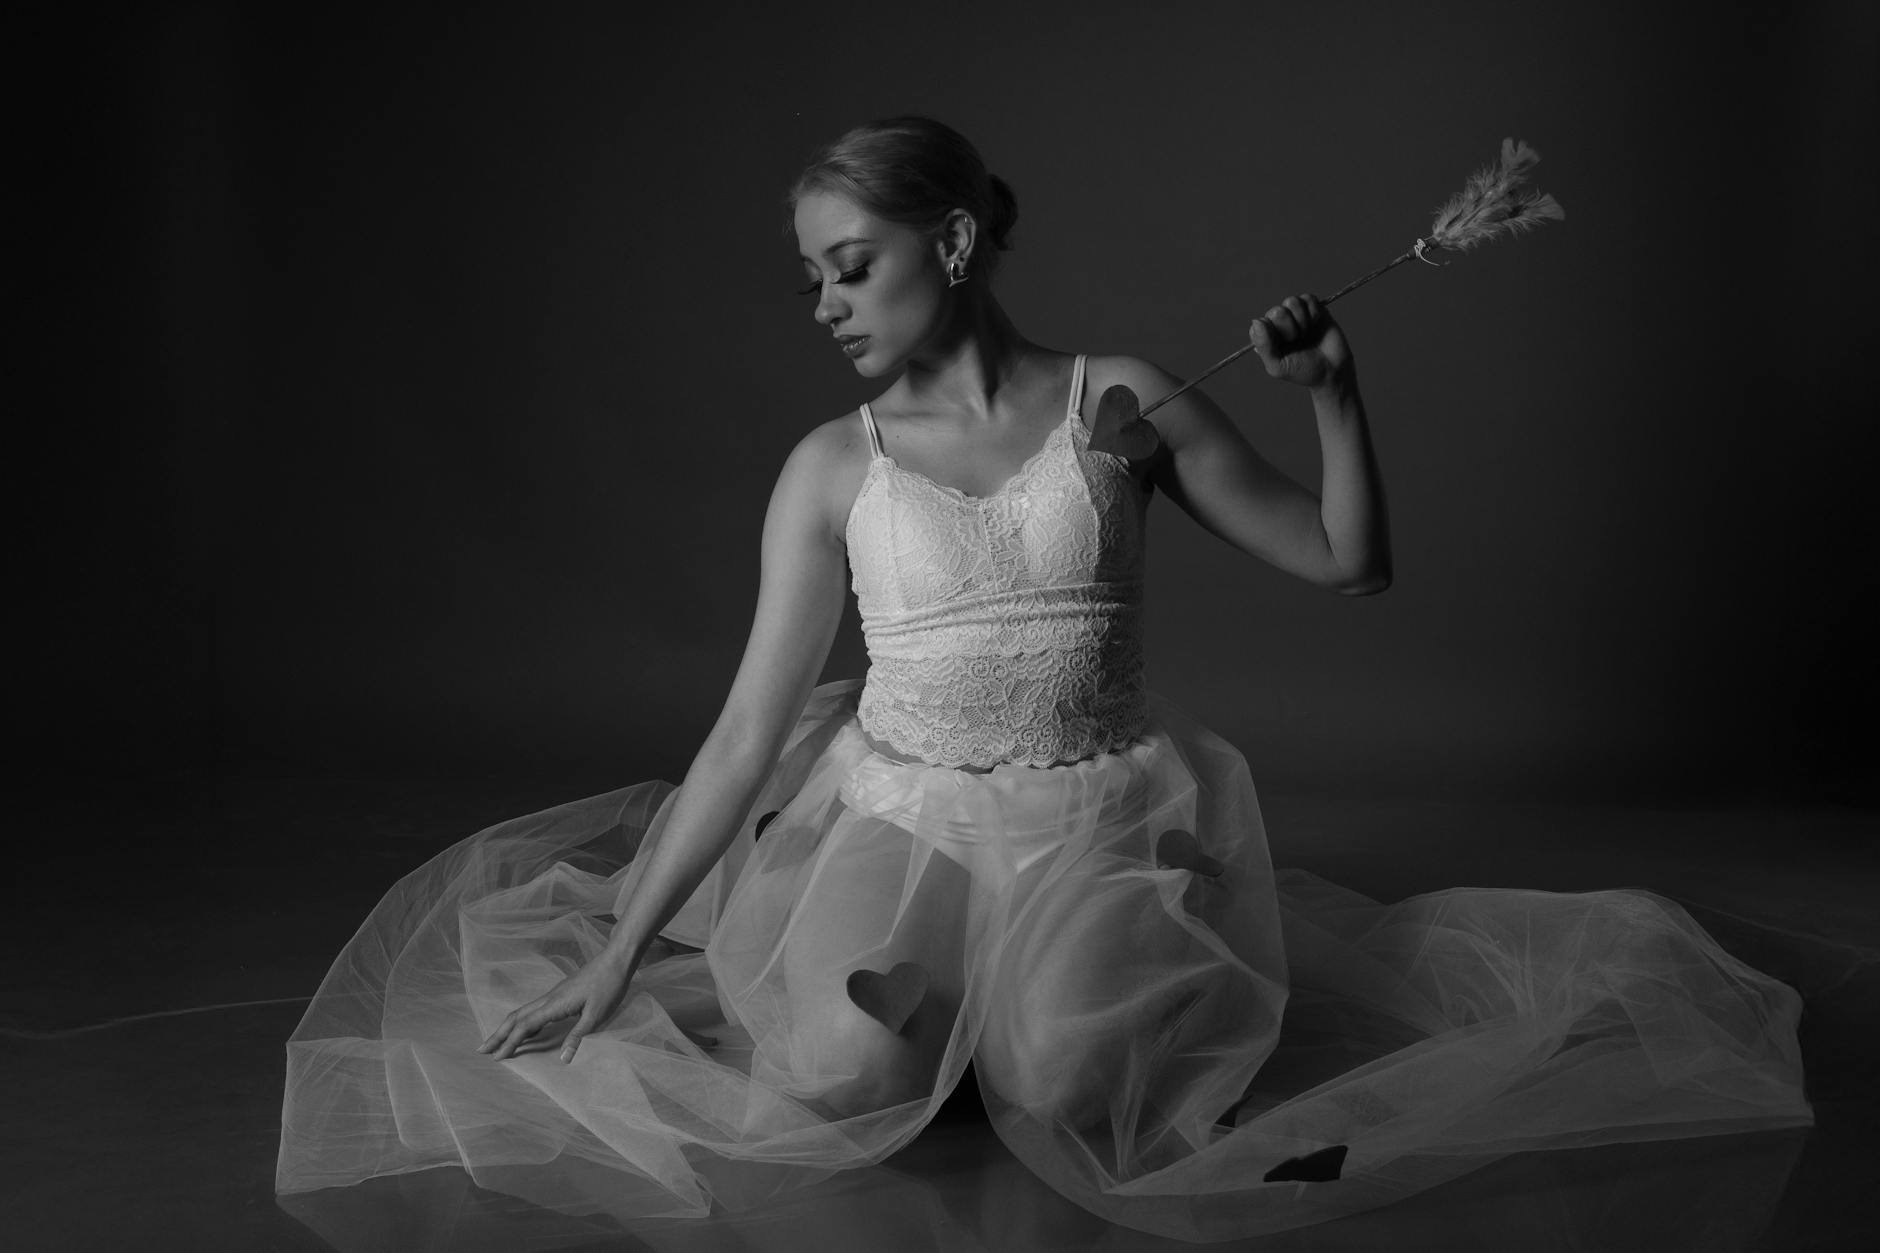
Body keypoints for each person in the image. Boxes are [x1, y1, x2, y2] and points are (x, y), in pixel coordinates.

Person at [275, 116, 1812, 1241]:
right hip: (899, 824)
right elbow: (746, 730)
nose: (826, 303)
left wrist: (1337, 393)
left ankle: (1012, 1008)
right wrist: (619, 952)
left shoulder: (1117, 401)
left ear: (951, 244)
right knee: (834, 1075)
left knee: (1073, 1083)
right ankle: (925, 1005)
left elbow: (1351, 562)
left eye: (852, 266)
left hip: (1094, 820)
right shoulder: (831, 468)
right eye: (812, 278)